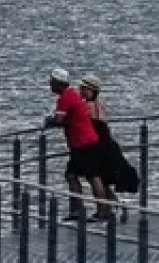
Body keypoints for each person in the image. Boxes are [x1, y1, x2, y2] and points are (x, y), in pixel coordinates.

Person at [44, 68, 111, 221]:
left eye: (52, 82)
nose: (50, 85)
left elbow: (59, 120)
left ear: (59, 83)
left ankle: (101, 211)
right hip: (83, 142)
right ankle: (80, 210)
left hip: (83, 143)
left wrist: (49, 121)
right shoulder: (71, 94)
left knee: (92, 176)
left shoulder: (65, 97)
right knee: (74, 175)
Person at [80, 75, 140, 216]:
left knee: (96, 177)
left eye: (84, 88)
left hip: (98, 146)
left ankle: (105, 209)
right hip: (107, 144)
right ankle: (114, 206)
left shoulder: (88, 106)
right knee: (103, 179)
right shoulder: (99, 104)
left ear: (92, 90)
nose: (80, 90)